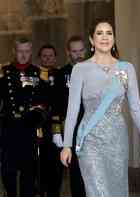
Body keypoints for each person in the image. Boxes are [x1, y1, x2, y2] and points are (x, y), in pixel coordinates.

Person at [60, 19, 140, 197]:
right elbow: (72, 110)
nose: (105, 37)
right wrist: (67, 145)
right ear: (91, 39)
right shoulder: (81, 69)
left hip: (117, 139)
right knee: (97, 191)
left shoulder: (126, 68)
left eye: (109, 33)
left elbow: (136, 107)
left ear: (114, 38)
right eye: (99, 33)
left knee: (117, 190)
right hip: (89, 140)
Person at [0, 37, 48, 197]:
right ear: (14, 51)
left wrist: (35, 118)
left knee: (29, 173)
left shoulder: (39, 73)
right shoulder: (4, 72)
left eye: (27, 51)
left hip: (29, 130)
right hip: (9, 129)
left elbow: (44, 102)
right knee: (8, 173)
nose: (23, 55)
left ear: (31, 52)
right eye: (20, 51)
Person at [52, 35, 86, 197]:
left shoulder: (95, 70)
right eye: (74, 51)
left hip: (93, 128)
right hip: (72, 129)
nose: (78, 55)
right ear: (68, 52)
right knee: (76, 173)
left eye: (81, 50)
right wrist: (57, 130)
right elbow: (57, 105)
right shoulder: (61, 74)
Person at [36, 44, 63, 197]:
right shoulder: (34, 75)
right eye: (44, 56)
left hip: (57, 128)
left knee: (56, 168)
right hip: (39, 128)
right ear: (39, 58)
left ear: (55, 57)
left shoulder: (60, 74)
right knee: (40, 169)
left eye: (50, 55)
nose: (47, 58)